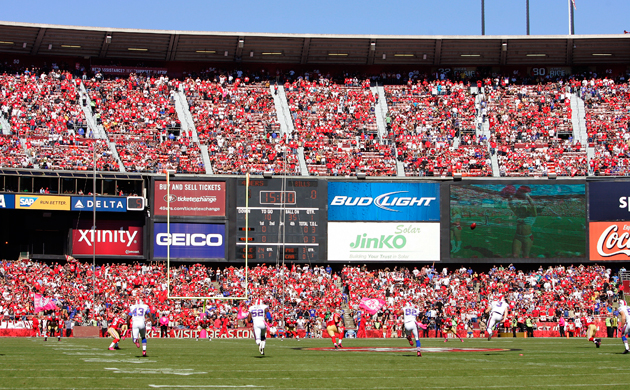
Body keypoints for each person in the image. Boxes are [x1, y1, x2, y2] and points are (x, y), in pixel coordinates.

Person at [507, 186, 537, 258]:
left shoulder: (532, 215)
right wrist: (510, 197)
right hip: (518, 236)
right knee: (514, 255)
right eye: (522, 207)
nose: (523, 207)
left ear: (527, 209)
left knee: (526, 256)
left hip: (527, 237)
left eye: (525, 207)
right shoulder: (519, 214)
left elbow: (533, 205)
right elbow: (510, 205)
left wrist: (527, 196)